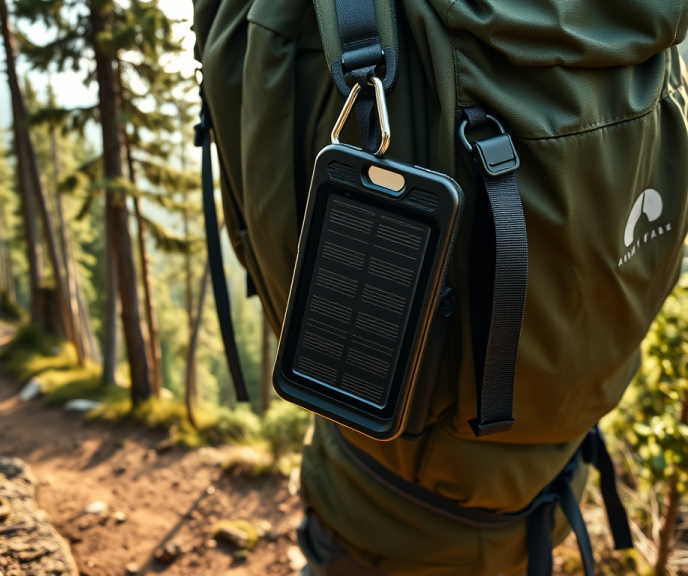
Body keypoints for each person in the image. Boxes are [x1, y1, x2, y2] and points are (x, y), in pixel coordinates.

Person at [193, 0, 688, 574]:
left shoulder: (311, 22)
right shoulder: (646, 27)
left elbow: (263, 225)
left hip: (375, 518)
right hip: (546, 493)